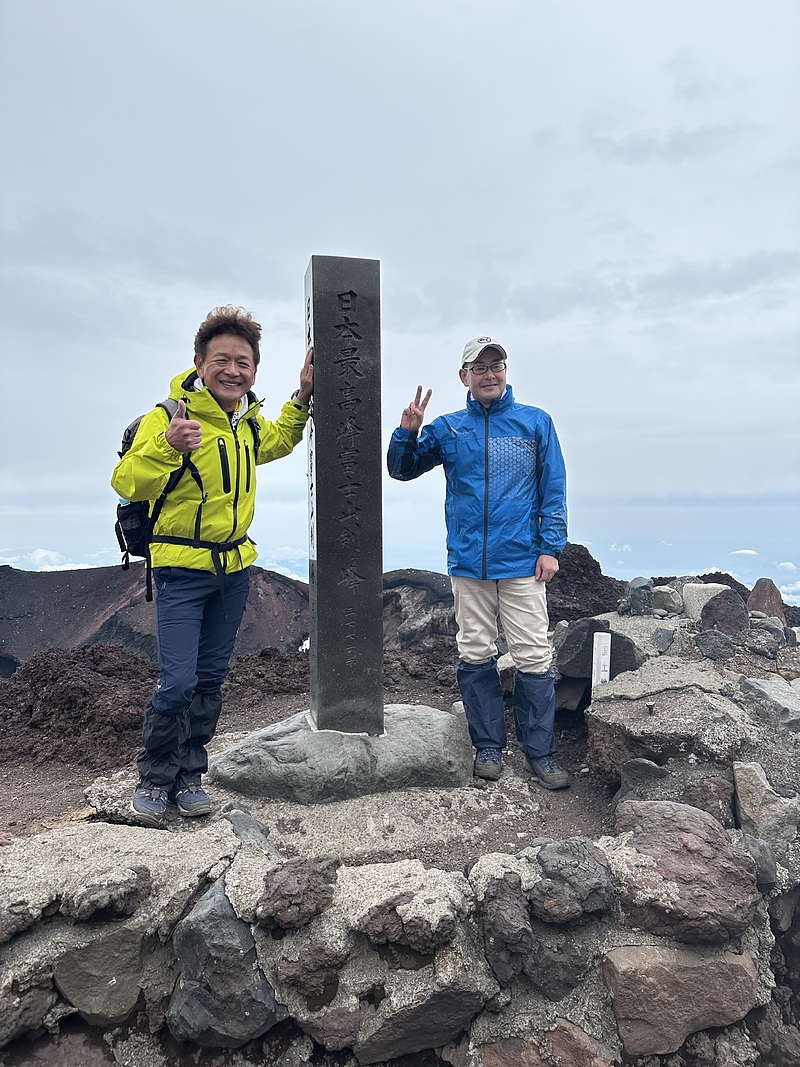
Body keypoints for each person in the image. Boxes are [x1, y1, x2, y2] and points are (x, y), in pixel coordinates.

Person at [112, 305, 313, 825]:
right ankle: (154, 776)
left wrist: (302, 398)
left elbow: (278, 441)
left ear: (254, 371)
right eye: (221, 359)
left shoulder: (244, 421)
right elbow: (127, 482)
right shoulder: (169, 416)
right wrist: (165, 446)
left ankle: (189, 774)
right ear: (198, 363)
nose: (232, 370)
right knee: (177, 681)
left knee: (209, 679)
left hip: (234, 570)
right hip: (181, 570)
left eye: (243, 362)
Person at [387, 337, 569, 788]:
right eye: (479, 367)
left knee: (533, 656)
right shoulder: (449, 429)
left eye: (497, 365)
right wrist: (407, 431)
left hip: (523, 561)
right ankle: (488, 746)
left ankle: (540, 752)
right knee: (475, 652)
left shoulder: (535, 423)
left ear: (506, 371)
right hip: (469, 563)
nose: (489, 374)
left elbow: (554, 488)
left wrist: (551, 547)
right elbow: (402, 469)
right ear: (463, 376)